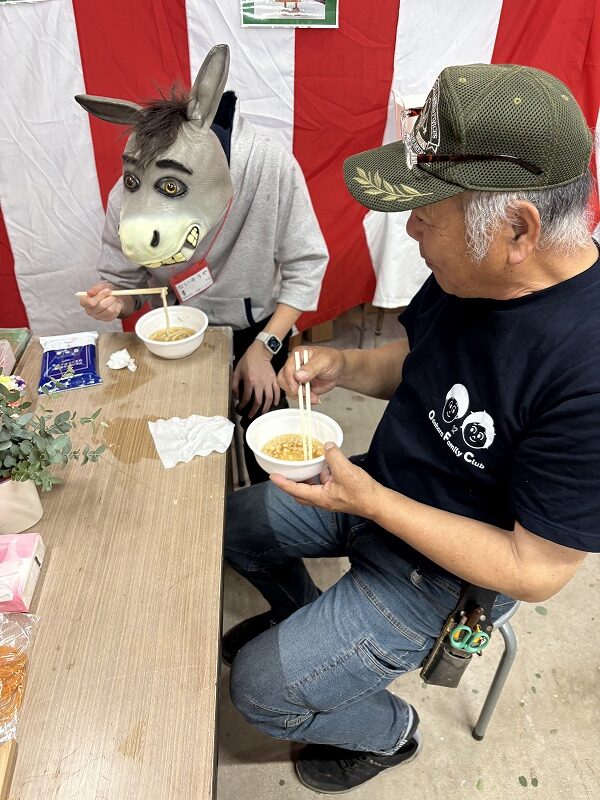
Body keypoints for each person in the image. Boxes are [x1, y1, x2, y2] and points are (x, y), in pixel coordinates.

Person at [223, 63, 600, 793]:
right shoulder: (474, 272)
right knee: (236, 526)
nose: (411, 226)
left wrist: (370, 501)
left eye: (428, 210)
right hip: (383, 486)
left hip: (452, 574)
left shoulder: (586, 372)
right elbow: (422, 362)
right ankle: (309, 631)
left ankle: (391, 732)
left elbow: (536, 570)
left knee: (259, 692)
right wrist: (345, 364)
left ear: (517, 229)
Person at [79, 52, 328, 485]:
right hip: (178, 329)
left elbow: (305, 264)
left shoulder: (267, 166)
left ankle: (268, 518)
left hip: (258, 328)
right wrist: (113, 303)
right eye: (136, 182)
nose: (137, 190)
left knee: (267, 435)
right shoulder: (132, 187)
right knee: (179, 445)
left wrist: (264, 349)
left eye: (171, 185)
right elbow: (127, 287)